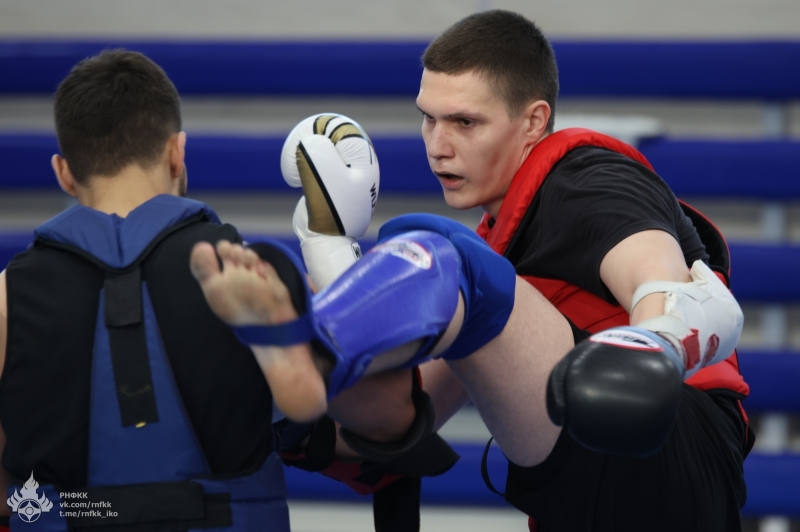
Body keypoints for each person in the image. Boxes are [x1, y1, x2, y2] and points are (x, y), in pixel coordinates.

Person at [192, 10, 754, 532]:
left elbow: (666, 286)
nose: (438, 147)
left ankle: (319, 340)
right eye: (428, 119)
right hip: (592, 497)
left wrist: (654, 343)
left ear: (533, 121)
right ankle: (309, 358)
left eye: (464, 122)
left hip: (670, 448)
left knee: (440, 250)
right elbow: (410, 412)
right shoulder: (497, 249)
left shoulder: (587, 177)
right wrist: (326, 253)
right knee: (404, 365)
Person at [0, 50, 441, 532]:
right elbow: (386, 418)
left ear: (63, 172)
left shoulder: (7, 297)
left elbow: (8, 494)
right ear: (177, 152)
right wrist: (332, 253)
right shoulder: (250, 273)